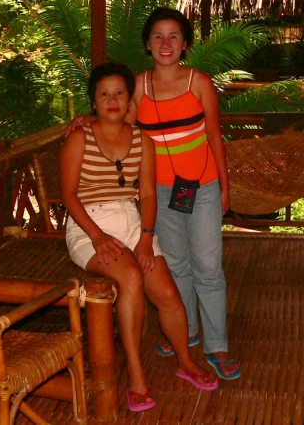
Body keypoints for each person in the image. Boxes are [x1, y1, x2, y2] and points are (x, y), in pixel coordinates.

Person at [67, 8, 241, 380]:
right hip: (160, 191)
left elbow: (214, 135)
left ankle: (217, 344)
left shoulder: (199, 83)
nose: (166, 43)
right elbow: (113, 120)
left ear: (185, 45)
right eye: (158, 36)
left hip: (204, 187)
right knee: (175, 263)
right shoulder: (139, 89)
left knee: (208, 267)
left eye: (174, 36)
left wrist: (225, 185)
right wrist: (84, 120)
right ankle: (186, 331)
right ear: (147, 44)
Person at [60, 62, 218, 413]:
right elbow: (69, 195)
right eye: (104, 94)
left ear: (130, 99)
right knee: (131, 277)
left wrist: (146, 238)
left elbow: (147, 194)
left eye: (119, 92)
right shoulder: (79, 137)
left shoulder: (142, 140)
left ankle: (186, 362)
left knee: (165, 291)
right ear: (94, 101)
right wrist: (98, 237)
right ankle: (135, 373)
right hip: (88, 223)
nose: (112, 100)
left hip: (133, 221)